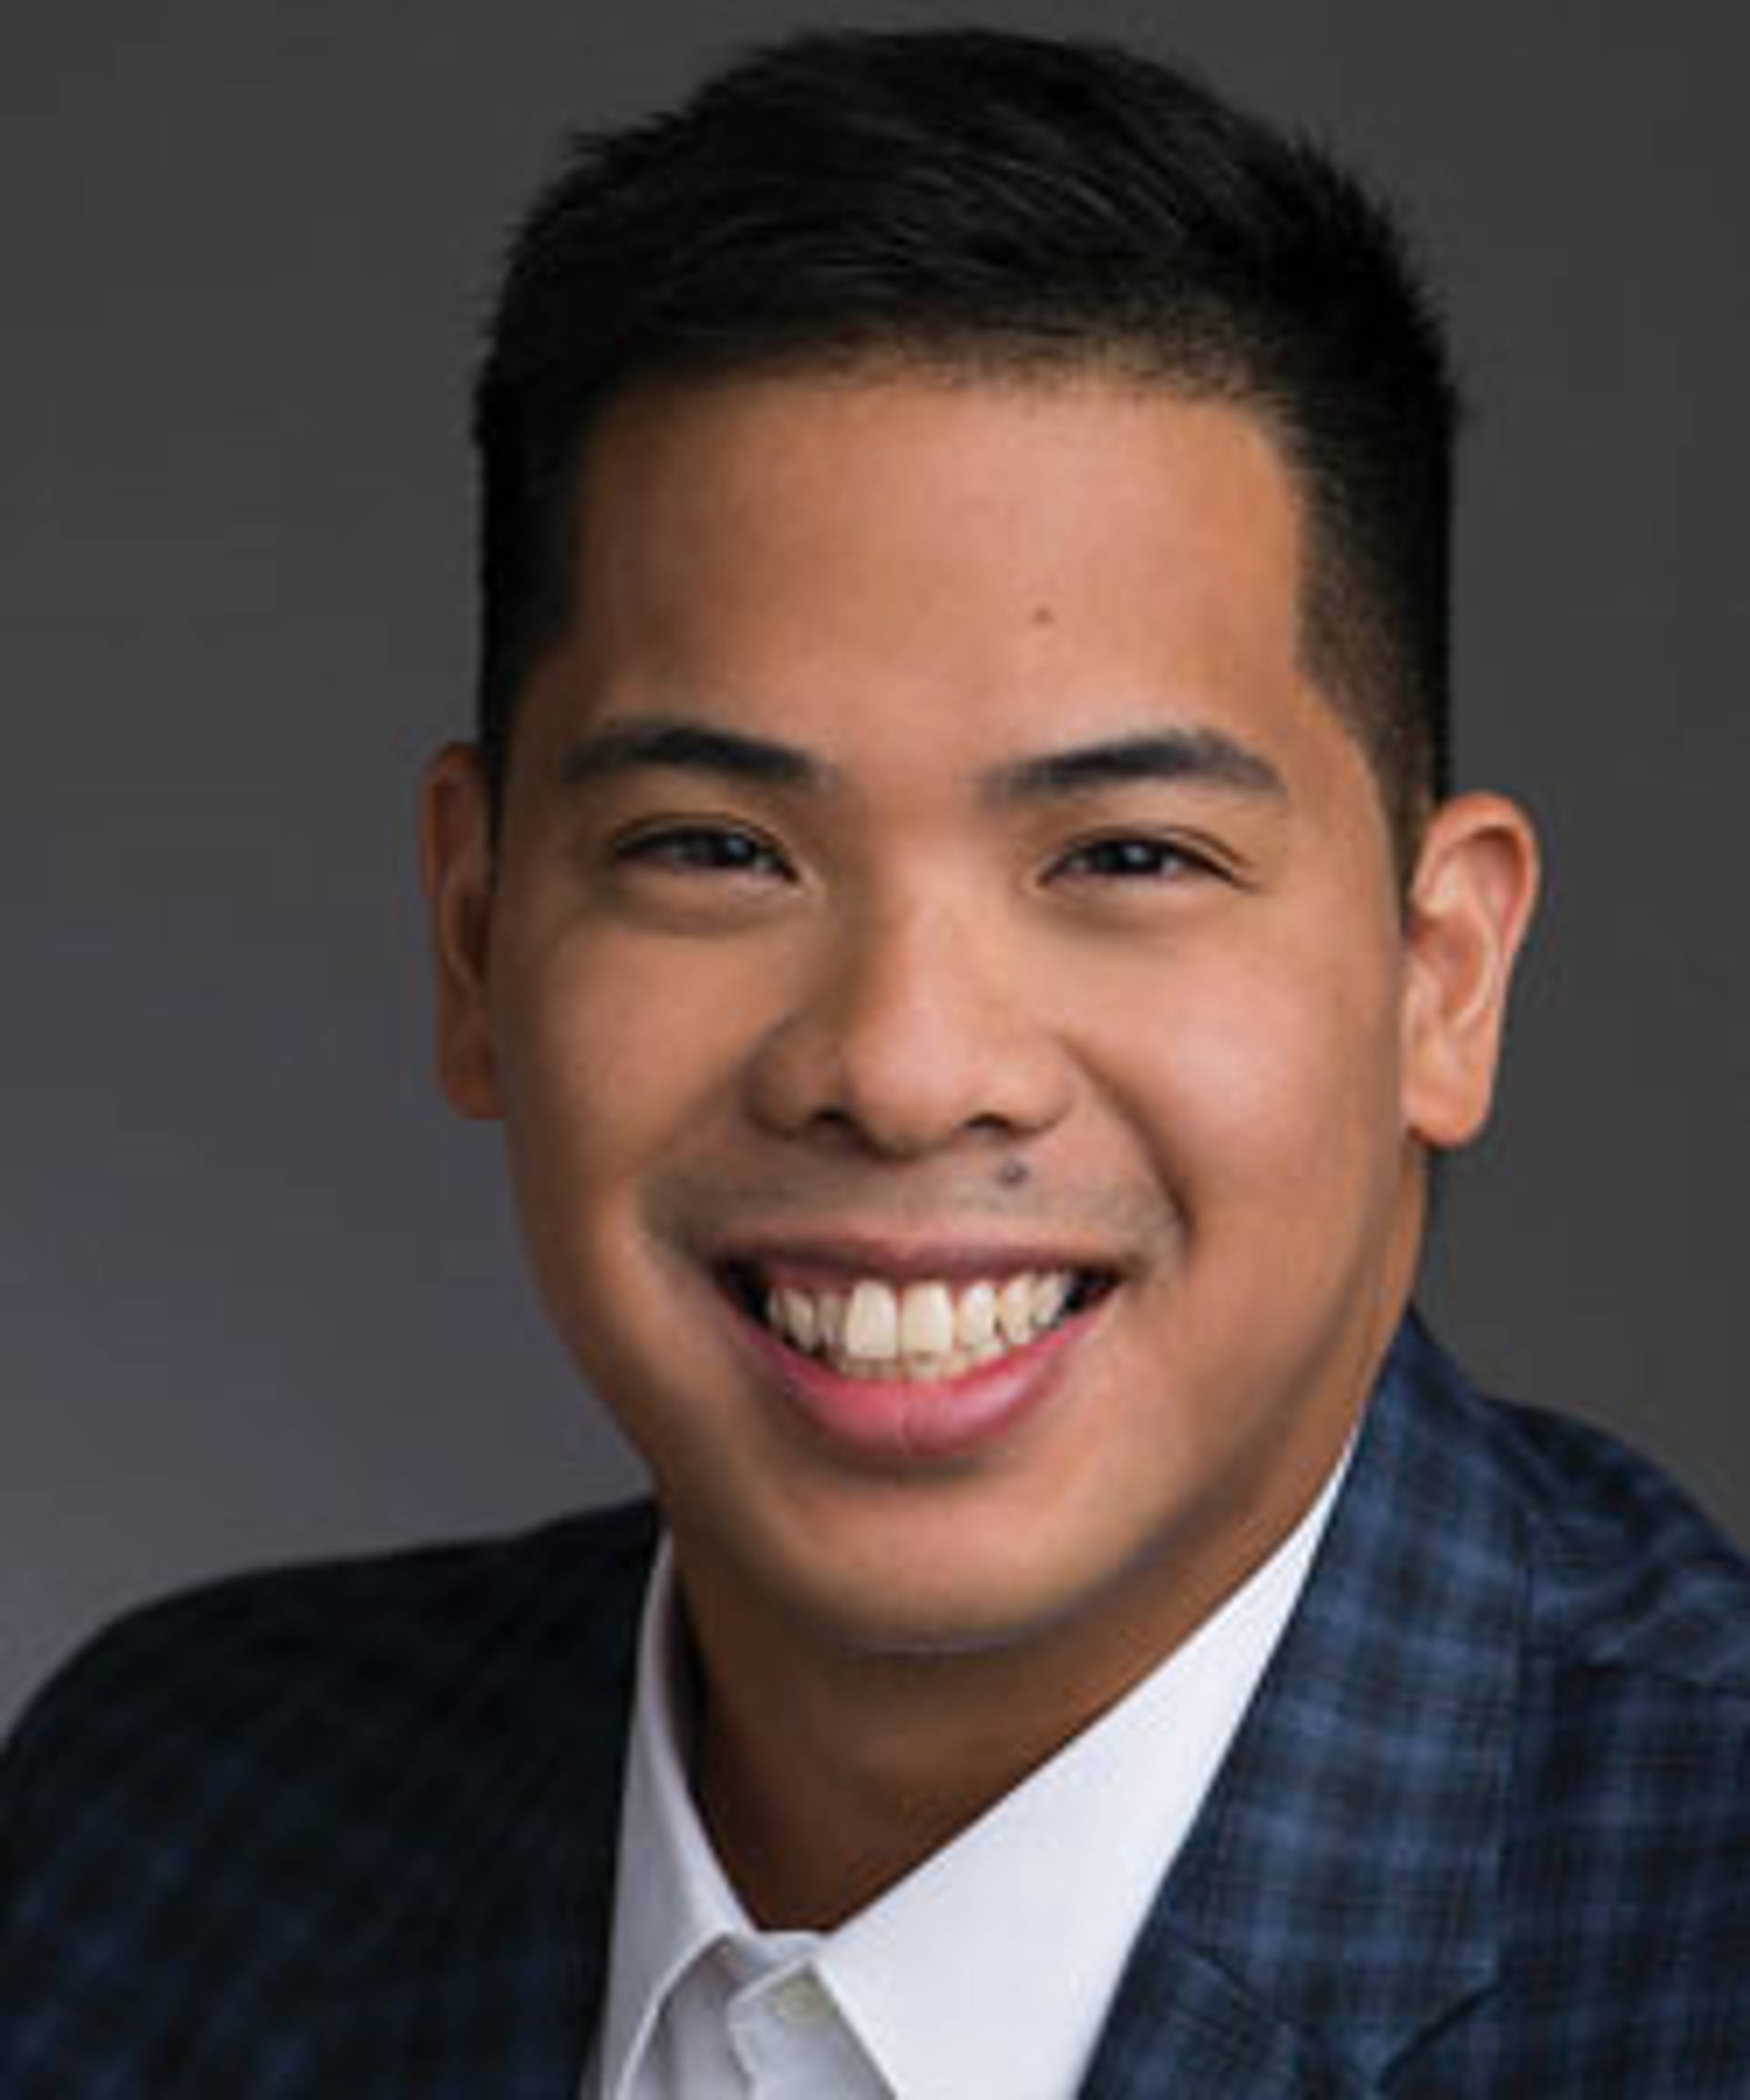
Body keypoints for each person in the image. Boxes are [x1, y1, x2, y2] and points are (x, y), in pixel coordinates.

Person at [3, 26, 1745, 2096]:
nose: (907, 1071)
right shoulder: (154, 1849)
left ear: (1439, 977)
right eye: (717, 850)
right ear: (473, 936)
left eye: (1127, 856)